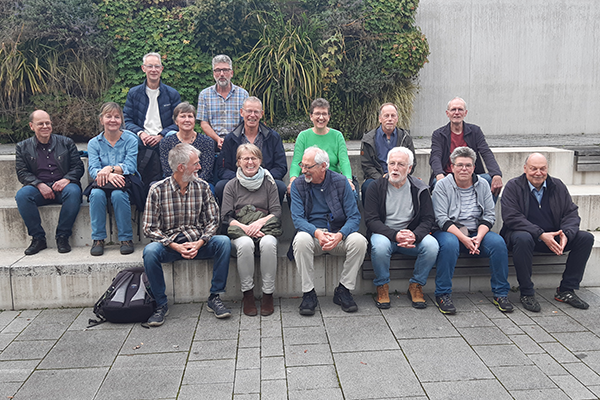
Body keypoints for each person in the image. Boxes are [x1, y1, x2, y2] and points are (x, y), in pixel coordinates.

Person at [142, 143, 232, 326]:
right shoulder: (157, 190)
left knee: (223, 242)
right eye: (196, 164)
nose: (200, 167)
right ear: (181, 167)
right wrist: (173, 244)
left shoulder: (203, 187)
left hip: (198, 241)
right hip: (170, 244)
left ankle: (215, 297)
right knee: (150, 251)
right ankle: (160, 304)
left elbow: (214, 220)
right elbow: (149, 227)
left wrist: (200, 242)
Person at [501, 153, 594, 311]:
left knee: (585, 238)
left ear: (547, 169)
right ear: (525, 169)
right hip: (523, 236)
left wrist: (566, 234)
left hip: (553, 236)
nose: (538, 172)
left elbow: (571, 213)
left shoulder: (557, 185)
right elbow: (512, 217)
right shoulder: (513, 186)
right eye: (533, 168)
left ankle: (566, 290)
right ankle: (527, 292)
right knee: (523, 238)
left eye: (542, 168)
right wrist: (540, 234)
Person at [431, 146, 513, 314]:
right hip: (450, 232)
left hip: (476, 231)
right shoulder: (442, 186)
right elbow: (441, 219)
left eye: (468, 165)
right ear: (452, 167)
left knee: (498, 243)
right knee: (449, 245)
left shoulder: (482, 184)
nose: (464, 169)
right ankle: (443, 294)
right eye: (459, 165)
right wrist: (464, 239)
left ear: (474, 167)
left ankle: (501, 294)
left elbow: (489, 215)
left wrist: (478, 237)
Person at [290, 146, 367, 315]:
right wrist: (316, 232)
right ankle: (309, 293)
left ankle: (344, 290)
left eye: (308, 167)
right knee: (300, 240)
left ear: (323, 166)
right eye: (302, 165)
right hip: (313, 237)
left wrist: (340, 235)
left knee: (359, 241)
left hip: (337, 234)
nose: (303, 171)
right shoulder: (298, 185)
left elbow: (354, 216)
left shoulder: (340, 182)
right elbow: (297, 219)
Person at [364, 147, 438, 309]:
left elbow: (428, 219)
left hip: (411, 236)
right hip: (385, 233)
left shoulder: (420, 188)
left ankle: (416, 285)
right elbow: (371, 220)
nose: (395, 168)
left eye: (401, 164)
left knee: (432, 245)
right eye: (392, 163)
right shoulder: (375, 187)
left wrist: (415, 235)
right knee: (380, 246)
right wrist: (395, 235)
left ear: (410, 168)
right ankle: (382, 286)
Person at [221, 144, 281, 316]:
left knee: (269, 243)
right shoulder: (231, 186)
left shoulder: (269, 183)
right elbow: (226, 216)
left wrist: (258, 224)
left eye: (253, 158)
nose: (250, 162)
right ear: (238, 162)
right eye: (245, 158)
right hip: (240, 228)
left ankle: (268, 294)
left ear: (260, 161)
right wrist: (246, 228)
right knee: (246, 244)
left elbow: (276, 211)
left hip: (264, 228)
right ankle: (248, 295)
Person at [15, 110, 84, 255]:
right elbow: (22, 173)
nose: (45, 126)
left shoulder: (66, 142)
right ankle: (38, 238)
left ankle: (63, 236)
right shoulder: (22, 147)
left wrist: (66, 179)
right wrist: (39, 184)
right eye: (40, 124)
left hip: (64, 186)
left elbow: (78, 167)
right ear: (32, 126)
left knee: (74, 192)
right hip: (38, 188)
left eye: (48, 123)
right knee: (22, 195)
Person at [87, 102, 138, 256]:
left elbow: (131, 166)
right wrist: (108, 174)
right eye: (108, 116)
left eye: (117, 117)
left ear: (121, 120)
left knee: (118, 194)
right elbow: (92, 170)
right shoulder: (94, 143)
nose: (113, 120)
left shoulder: (131, 139)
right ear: (101, 120)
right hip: (102, 182)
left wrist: (110, 169)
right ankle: (98, 239)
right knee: (96, 194)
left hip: (126, 181)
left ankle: (126, 239)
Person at [216, 96, 287, 203]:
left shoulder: (273, 137)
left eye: (256, 112)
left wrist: (262, 178)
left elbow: (281, 166)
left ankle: (273, 217)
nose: (252, 115)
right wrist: (240, 179)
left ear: (261, 114)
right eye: (249, 111)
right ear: (241, 112)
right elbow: (222, 169)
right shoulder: (231, 138)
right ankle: (228, 218)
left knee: (280, 187)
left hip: (264, 181)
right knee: (220, 186)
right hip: (237, 181)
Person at [429, 97, 502, 198]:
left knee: (492, 181)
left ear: (465, 113)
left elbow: (486, 152)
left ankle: (486, 213)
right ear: (447, 113)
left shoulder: (475, 131)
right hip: (446, 176)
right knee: (438, 184)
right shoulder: (439, 134)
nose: (457, 112)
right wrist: (439, 174)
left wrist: (496, 174)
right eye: (453, 109)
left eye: (460, 109)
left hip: (471, 176)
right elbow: (435, 156)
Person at [123, 52, 181, 176]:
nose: (153, 70)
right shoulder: (134, 93)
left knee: (172, 135)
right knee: (127, 135)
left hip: (164, 137)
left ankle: (169, 176)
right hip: (140, 138)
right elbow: (126, 120)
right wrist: (141, 133)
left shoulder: (172, 94)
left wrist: (161, 135)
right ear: (143, 68)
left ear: (161, 69)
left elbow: (178, 122)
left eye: (157, 66)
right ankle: (132, 176)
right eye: (150, 66)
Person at [288, 98, 355, 196]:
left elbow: (344, 161)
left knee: (352, 193)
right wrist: (292, 180)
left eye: (324, 114)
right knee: (293, 192)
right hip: (309, 180)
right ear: (311, 116)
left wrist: (348, 179)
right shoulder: (303, 136)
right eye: (317, 113)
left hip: (333, 181)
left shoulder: (337, 136)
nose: (321, 117)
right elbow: (296, 162)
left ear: (329, 116)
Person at [360, 103, 416, 204]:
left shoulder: (405, 138)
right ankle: (371, 218)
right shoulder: (368, 139)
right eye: (386, 116)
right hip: (377, 177)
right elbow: (367, 165)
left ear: (397, 118)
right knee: (367, 187)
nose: (390, 119)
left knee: (417, 186)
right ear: (380, 119)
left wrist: (398, 176)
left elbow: (412, 162)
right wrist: (381, 178)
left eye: (393, 116)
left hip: (401, 176)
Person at [159, 102, 215, 191]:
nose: (187, 120)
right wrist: (181, 184)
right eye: (182, 116)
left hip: (201, 182)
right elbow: (167, 169)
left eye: (190, 116)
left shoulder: (207, 142)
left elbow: (206, 171)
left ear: (194, 120)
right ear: (176, 121)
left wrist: (194, 184)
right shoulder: (166, 142)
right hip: (174, 183)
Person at [197, 54, 249, 150]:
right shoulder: (204, 95)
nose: (221, 74)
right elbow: (204, 123)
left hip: (237, 142)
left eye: (225, 70)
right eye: (218, 70)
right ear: (213, 73)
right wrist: (217, 139)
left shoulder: (243, 95)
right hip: (212, 142)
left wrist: (232, 139)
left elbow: (245, 122)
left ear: (231, 73)